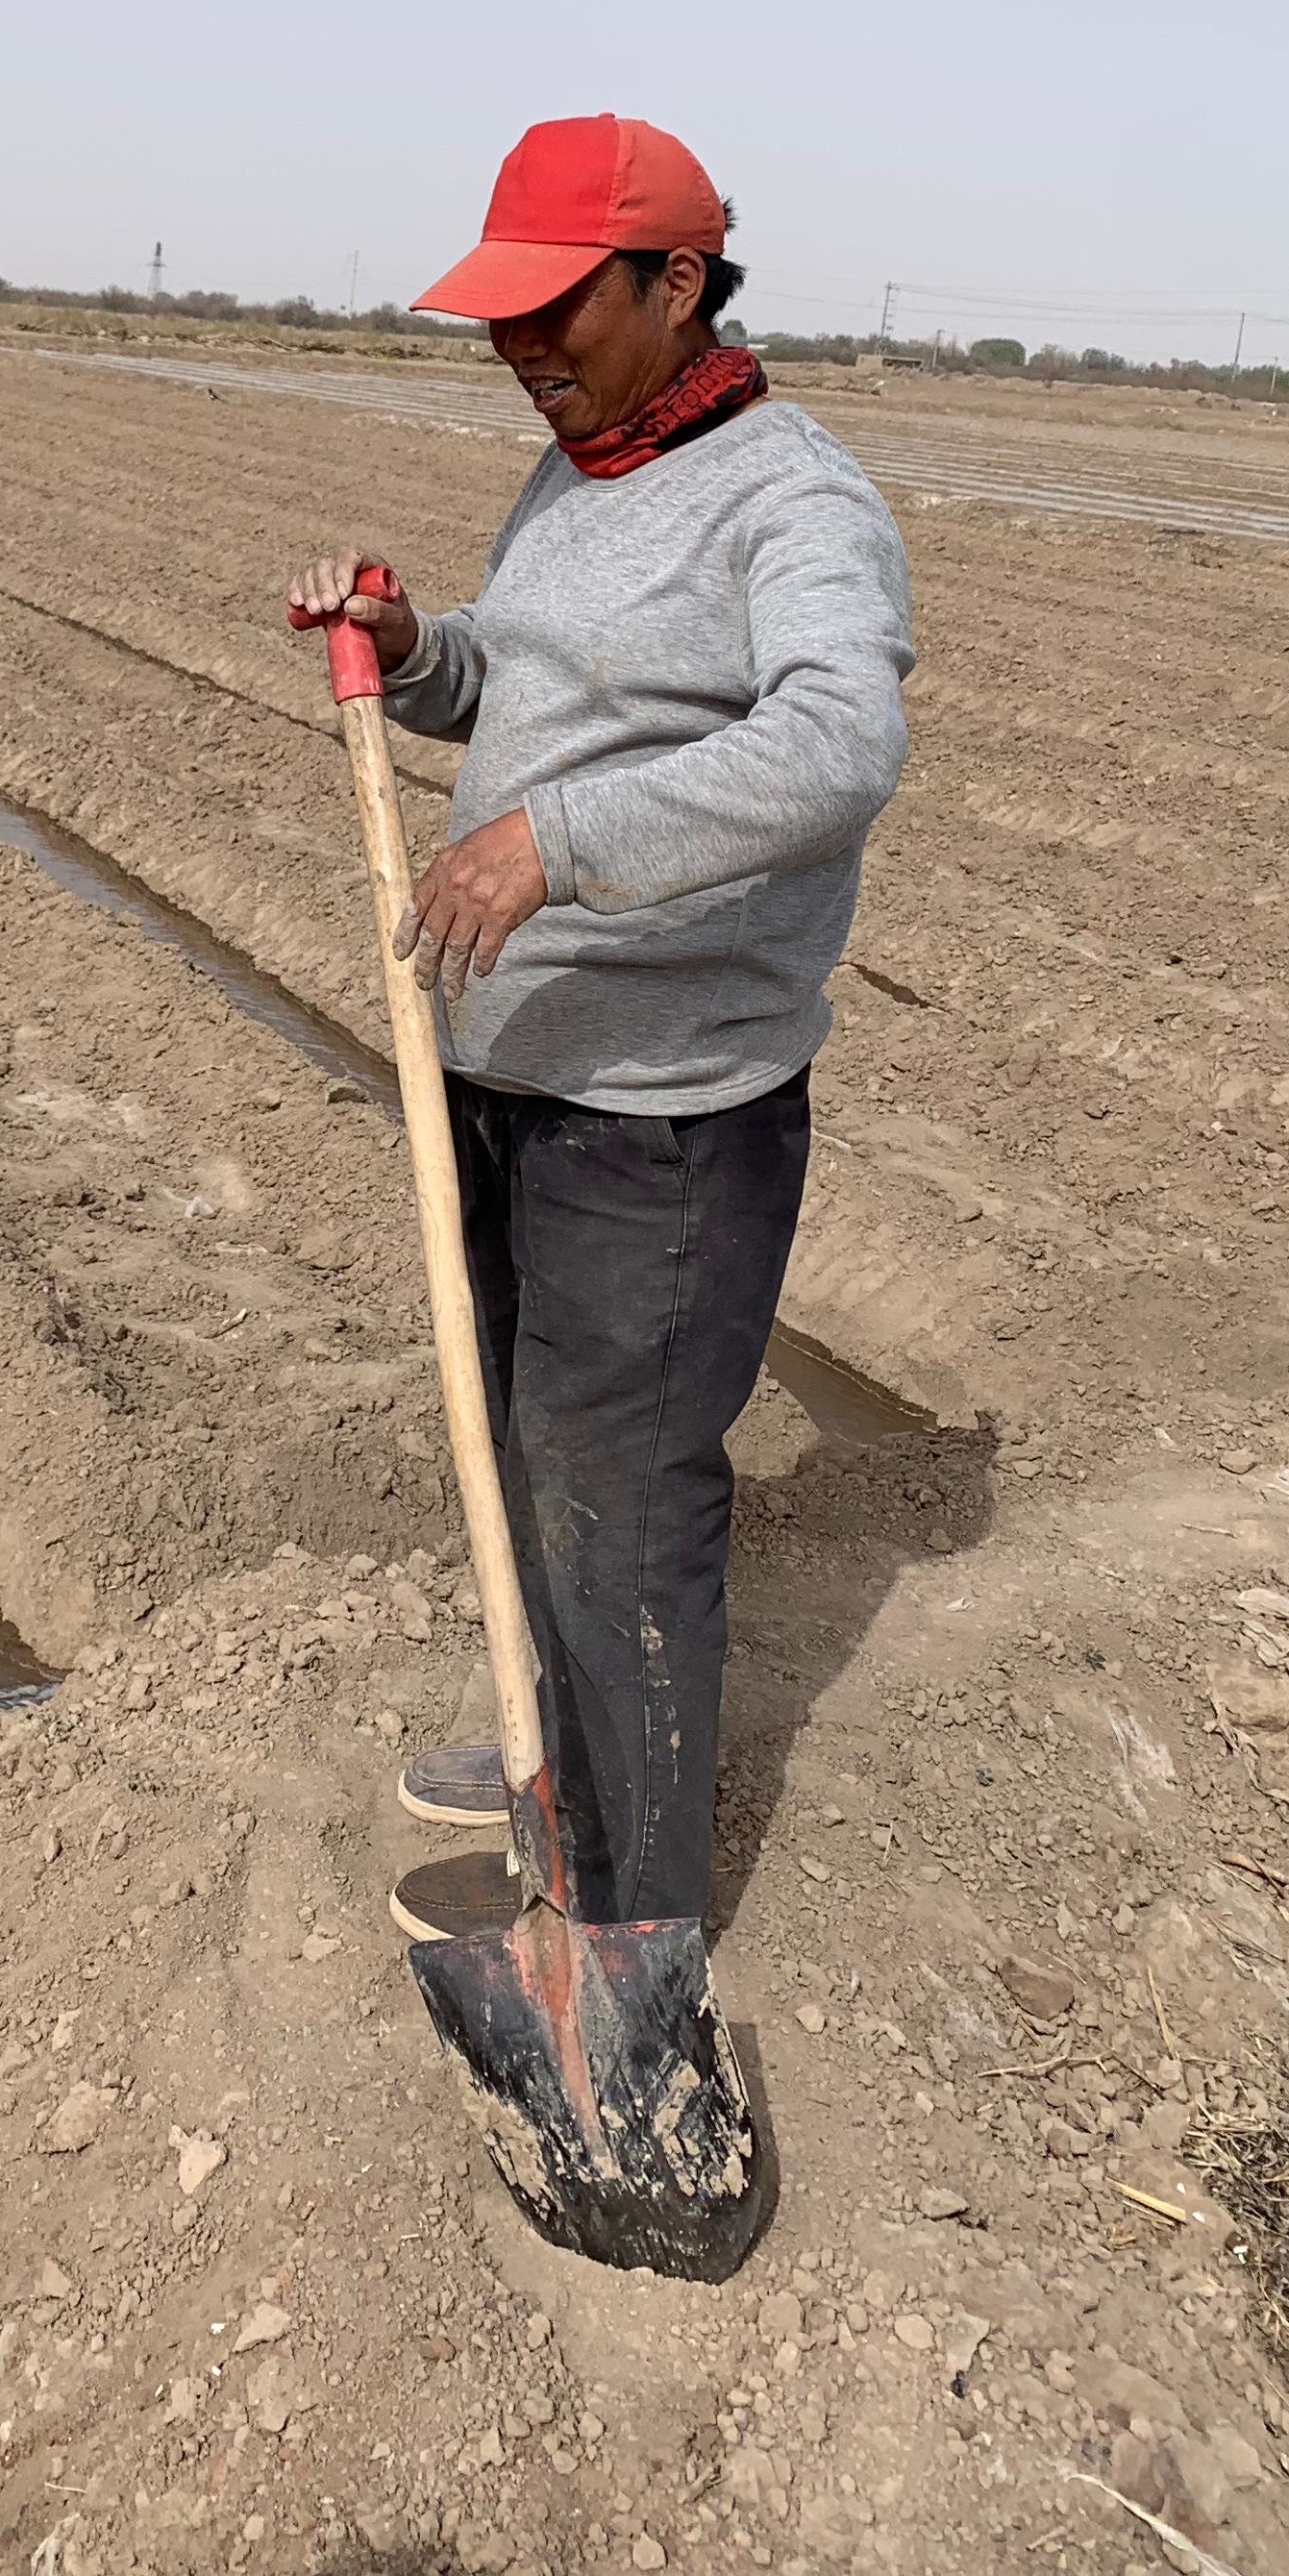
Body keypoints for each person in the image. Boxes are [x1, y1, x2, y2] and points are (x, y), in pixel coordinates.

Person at [285, 112, 911, 1978]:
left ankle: (633, 1928)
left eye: (561, 312)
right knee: (528, 1447)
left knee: (623, 1491)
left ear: (682, 286)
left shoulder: (795, 502)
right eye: (502, 319)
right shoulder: (576, 467)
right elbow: (524, 681)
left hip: (663, 1117)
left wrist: (554, 842)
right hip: (509, 1072)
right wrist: (414, 652)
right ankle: (560, 1745)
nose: (525, 350)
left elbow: (836, 746)